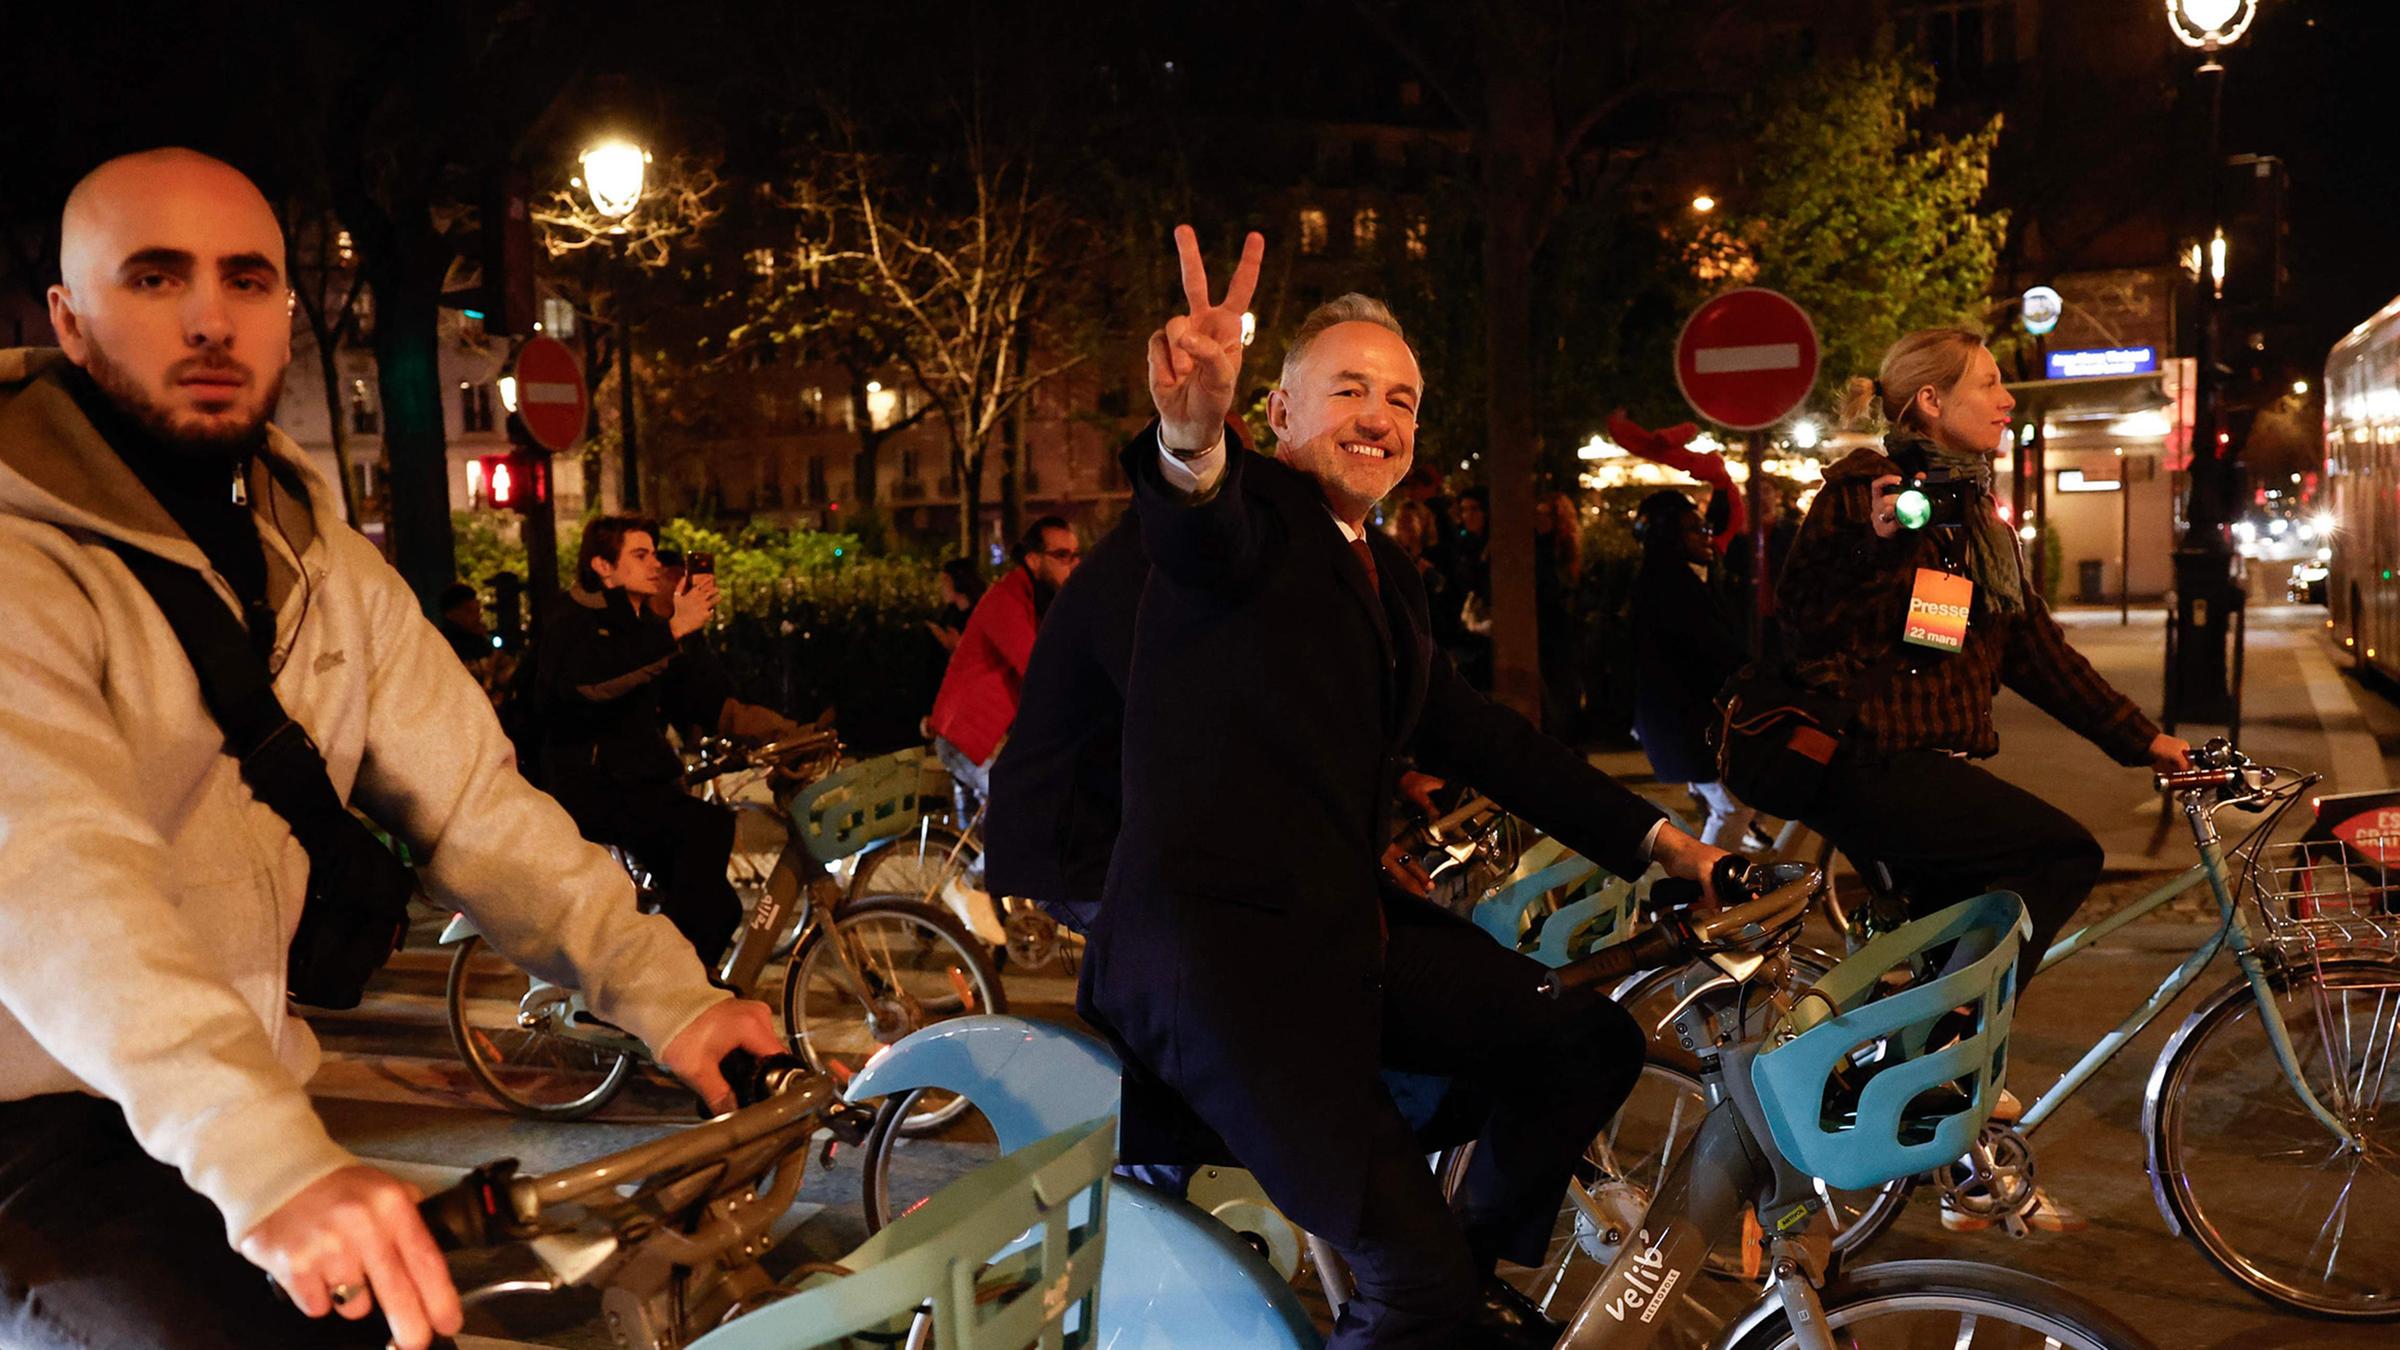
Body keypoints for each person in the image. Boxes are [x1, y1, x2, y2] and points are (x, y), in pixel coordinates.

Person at [0, 147, 785, 1350]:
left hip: (231, 1091)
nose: (211, 318)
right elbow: (55, 882)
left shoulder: (312, 551)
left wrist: (673, 1003)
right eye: (155, 279)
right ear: (66, 315)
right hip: (38, 1132)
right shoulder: (19, 563)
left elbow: (475, 802)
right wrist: (268, 1162)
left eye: (249, 280)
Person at [1089, 227, 1736, 1348]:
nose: (1380, 416)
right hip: (1226, 974)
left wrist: (1663, 843)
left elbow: (1480, 735)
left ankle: (1457, 1287)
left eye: (1402, 397)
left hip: (1344, 939)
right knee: (1409, 1278)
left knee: (1588, 1044)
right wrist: (1189, 437)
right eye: (1347, 389)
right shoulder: (1253, 534)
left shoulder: (1379, 568)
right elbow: (1200, 527)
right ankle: (1427, 1299)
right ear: (1278, 416)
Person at [1779, 325, 2191, 1232]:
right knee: (2057, 854)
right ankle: (1943, 1060)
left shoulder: (1972, 514)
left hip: (1922, 766)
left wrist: (2144, 740)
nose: (2008, 400)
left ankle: (1956, 1159)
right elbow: (1817, 593)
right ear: (1930, 402)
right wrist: (1882, 534)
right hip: (1869, 765)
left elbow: (2033, 650)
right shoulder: (1868, 490)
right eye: (1991, 384)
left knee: (1941, 955)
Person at [537, 515, 803, 971]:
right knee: (703, 829)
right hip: (587, 783)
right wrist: (673, 631)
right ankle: (652, 987)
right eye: (639, 555)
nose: (655, 564)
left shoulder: (641, 622)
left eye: (655, 554)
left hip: (637, 781)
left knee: (720, 909)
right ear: (603, 565)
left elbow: (700, 699)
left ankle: (684, 990)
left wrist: (786, 733)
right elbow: (592, 682)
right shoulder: (575, 618)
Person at [1629, 490, 1755, 848]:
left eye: (1705, 527)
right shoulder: (1668, 586)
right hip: (1685, 724)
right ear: (1669, 536)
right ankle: (1695, 896)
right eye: (1695, 529)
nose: (1706, 536)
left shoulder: (1679, 577)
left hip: (1687, 722)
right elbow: (1711, 647)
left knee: (1727, 806)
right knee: (1733, 809)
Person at [925, 516, 1080, 806]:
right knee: (1023, 814)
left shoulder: (1037, 601)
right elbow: (1039, 671)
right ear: (1033, 560)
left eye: (1074, 555)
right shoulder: (1007, 600)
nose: (1071, 564)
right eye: (1061, 555)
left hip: (984, 738)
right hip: (967, 738)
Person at [1532, 490, 1583, 736]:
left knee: (1563, 687)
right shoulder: (1535, 547)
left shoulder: (1562, 549)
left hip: (1560, 628)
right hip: (1545, 626)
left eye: (1545, 514)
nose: (1539, 519)